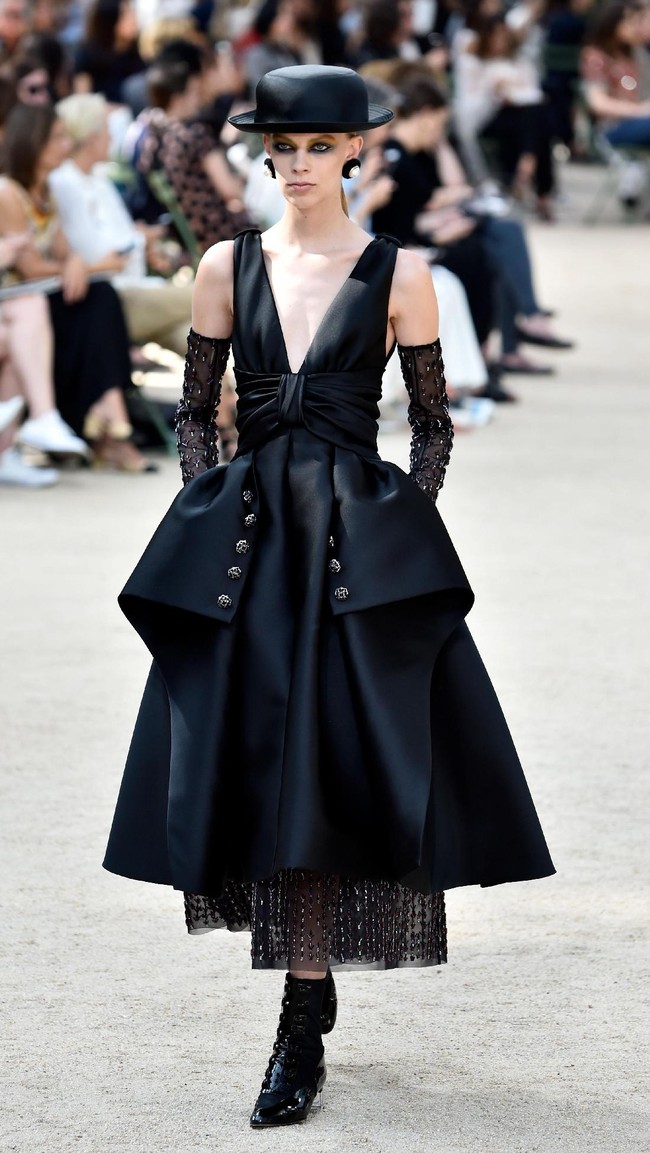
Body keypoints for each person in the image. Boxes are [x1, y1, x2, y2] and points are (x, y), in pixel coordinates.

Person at [103, 65, 554, 1129]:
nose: (297, 163)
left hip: (353, 556)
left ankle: (303, 1015)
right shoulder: (226, 263)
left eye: (318, 145)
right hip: (252, 550)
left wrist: (401, 520)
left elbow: (432, 420)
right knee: (262, 769)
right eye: (283, 145)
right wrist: (210, 505)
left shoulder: (401, 274)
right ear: (265, 152)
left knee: (340, 769)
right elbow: (194, 411)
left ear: (354, 151)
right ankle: (303, 1006)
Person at [0, 102, 155, 471]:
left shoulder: (45, 191)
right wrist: (76, 266)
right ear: (33, 143)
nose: (65, 145)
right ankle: (108, 423)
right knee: (96, 299)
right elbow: (30, 267)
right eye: (56, 138)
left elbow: (65, 254)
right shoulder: (9, 192)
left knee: (99, 295)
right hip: (19, 297)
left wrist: (73, 264)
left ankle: (107, 417)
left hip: (34, 298)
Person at [51, 92, 193, 359]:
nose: (112, 137)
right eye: (106, 130)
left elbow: (123, 243)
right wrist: (141, 239)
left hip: (135, 288)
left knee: (194, 338)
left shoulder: (96, 178)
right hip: (113, 298)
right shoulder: (66, 183)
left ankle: (225, 398)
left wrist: (139, 240)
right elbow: (105, 254)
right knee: (217, 297)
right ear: (91, 137)